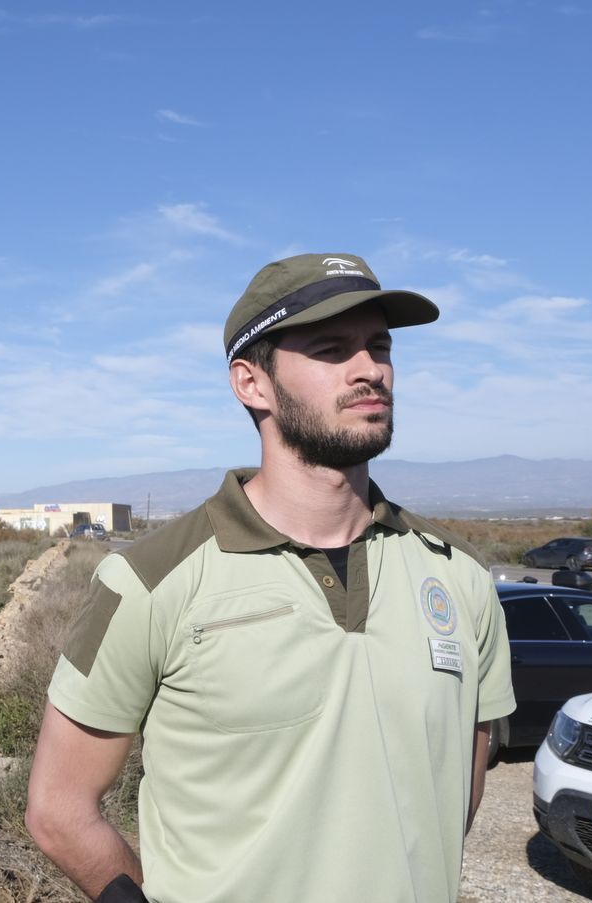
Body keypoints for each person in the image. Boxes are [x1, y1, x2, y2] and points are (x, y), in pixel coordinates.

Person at [25, 254, 515, 903]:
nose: (369, 368)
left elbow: (457, 787)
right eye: (331, 348)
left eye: (378, 345)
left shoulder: (461, 578)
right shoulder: (150, 580)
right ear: (251, 382)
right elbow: (59, 808)